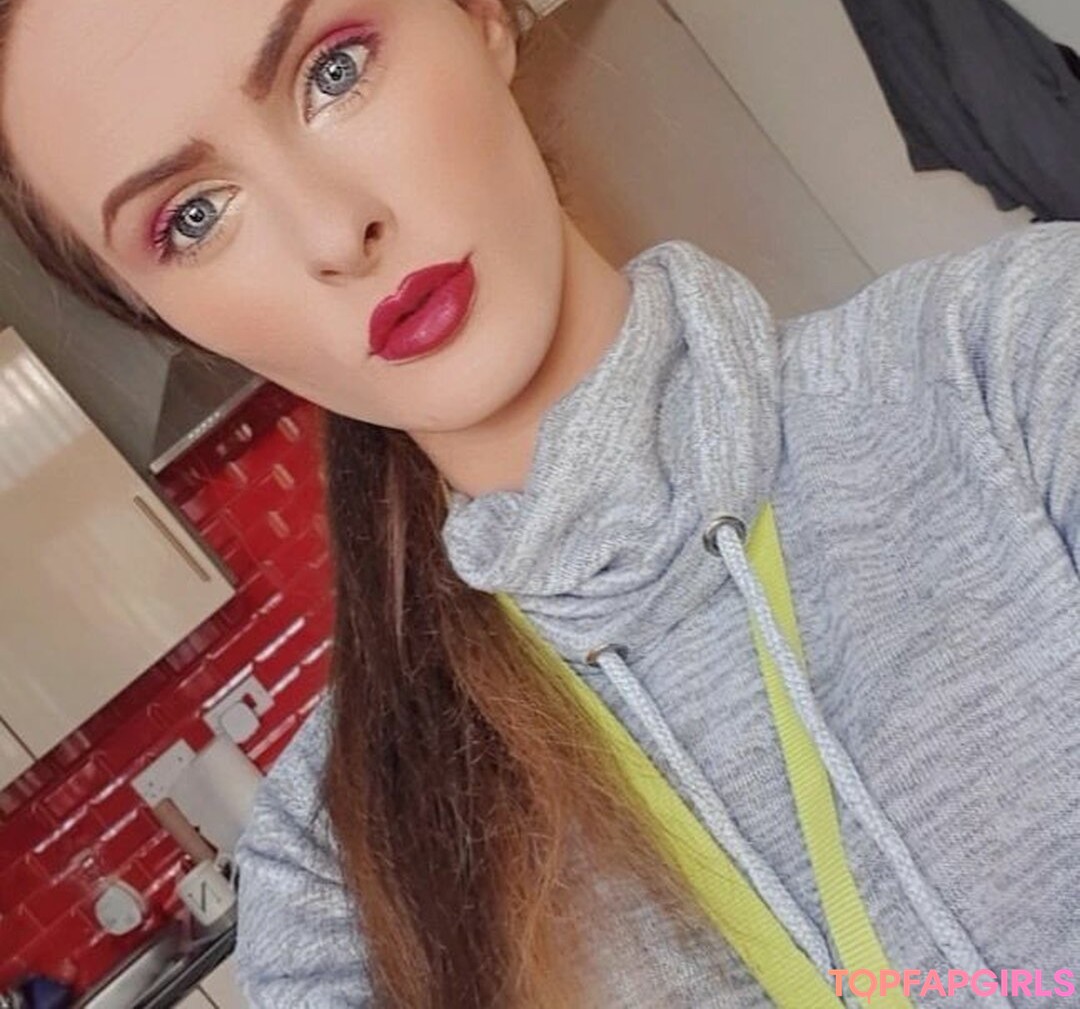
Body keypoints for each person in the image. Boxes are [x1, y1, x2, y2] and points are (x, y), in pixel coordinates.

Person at [1, 0, 1079, 1006]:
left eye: (333, 70)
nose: (333, 232)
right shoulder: (331, 875)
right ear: (171, 321)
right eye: (193, 218)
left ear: (483, 19)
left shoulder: (1016, 361)